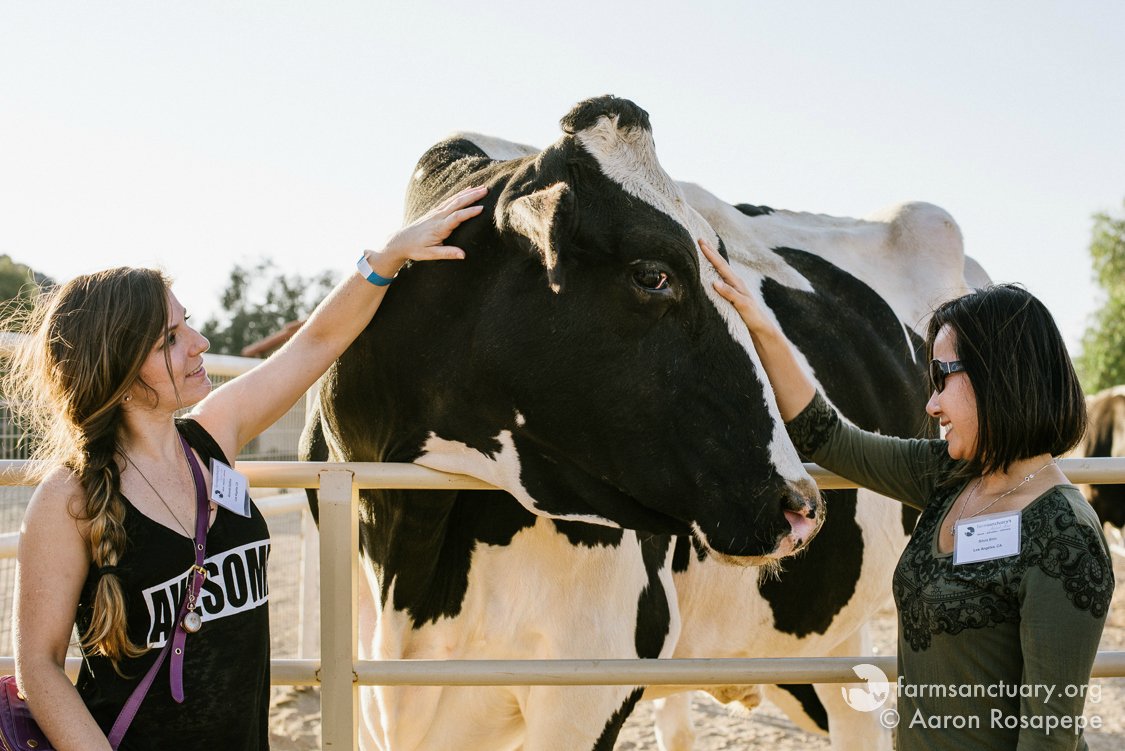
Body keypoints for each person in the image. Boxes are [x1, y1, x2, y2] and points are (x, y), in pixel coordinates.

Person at [7, 185, 487, 750]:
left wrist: (386, 258)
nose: (200, 342)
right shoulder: (71, 499)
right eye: (171, 337)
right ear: (119, 366)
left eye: (188, 324)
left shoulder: (213, 435)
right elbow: (38, 668)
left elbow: (317, 344)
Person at [700, 239, 1113, 750]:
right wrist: (759, 322)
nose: (932, 403)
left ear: (1001, 378)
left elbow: (1049, 739)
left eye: (943, 378)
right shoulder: (948, 475)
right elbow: (826, 436)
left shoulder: (1065, 533)